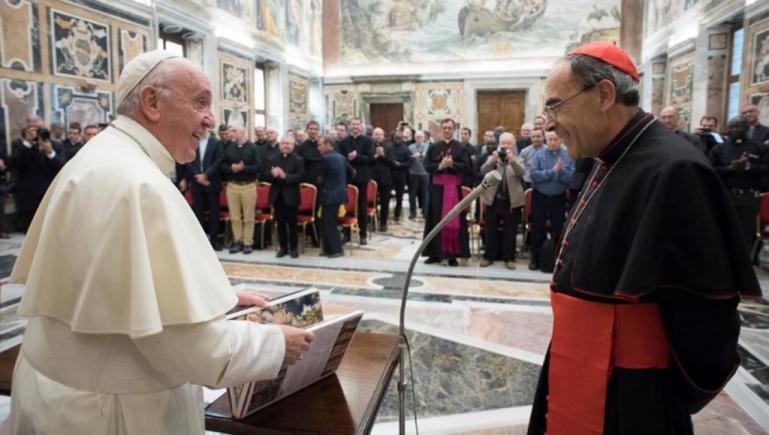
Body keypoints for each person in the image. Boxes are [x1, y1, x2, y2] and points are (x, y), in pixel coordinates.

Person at [9, 50, 313, 434]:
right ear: (152, 102)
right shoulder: (138, 183)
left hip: (61, 396)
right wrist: (274, 345)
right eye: (200, 102)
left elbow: (117, 285)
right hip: (110, 413)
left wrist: (213, 299)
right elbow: (192, 351)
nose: (211, 119)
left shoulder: (104, 156)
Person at [527, 41, 761, 435]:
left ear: (603, 94)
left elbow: (706, 313)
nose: (549, 123)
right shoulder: (611, 156)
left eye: (555, 105)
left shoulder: (676, 170)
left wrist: (656, 387)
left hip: (631, 391)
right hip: (577, 364)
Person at [709, 115, 768, 250]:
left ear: (747, 128)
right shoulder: (719, 148)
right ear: (728, 129)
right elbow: (710, 171)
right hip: (727, 195)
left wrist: (748, 166)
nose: (736, 130)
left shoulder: (759, 147)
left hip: (749, 197)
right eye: (733, 127)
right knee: (723, 232)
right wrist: (730, 169)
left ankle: (744, 267)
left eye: (740, 127)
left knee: (746, 234)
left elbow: (766, 170)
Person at [422, 118, 472, 266]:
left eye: (449, 128)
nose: (447, 130)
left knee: (453, 222)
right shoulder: (434, 147)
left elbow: (468, 167)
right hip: (437, 188)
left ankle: (452, 255)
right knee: (434, 219)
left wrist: (452, 164)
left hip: (453, 190)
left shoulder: (461, 148)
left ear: (454, 129)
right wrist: (439, 166)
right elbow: (427, 166)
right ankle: (434, 254)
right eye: (444, 128)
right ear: (441, 129)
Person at [8, 118, 66, 231]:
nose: (36, 132)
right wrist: (27, 143)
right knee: (29, 231)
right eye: (32, 128)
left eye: (39, 128)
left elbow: (62, 167)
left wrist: (50, 152)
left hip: (49, 195)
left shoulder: (57, 146)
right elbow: (11, 165)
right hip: (27, 197)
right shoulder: (20, 146)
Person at [528, 130, 574, 271]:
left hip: (558, 198)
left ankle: (558, 259)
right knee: (537, 229)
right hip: (540, 196)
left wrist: (561, 172)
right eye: (550, 139)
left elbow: (570, 177)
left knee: (558, 229)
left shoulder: (567, 155)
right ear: (546, 140)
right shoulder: (538, 155)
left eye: (555, 139)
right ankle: (535, 259)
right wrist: (552, 171)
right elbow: (534, 175)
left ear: (560, 140)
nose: (552, 142)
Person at [479, 132, 524, 269]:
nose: (505, 146)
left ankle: (509, 258)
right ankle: (488, 256)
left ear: (514, 145)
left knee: (510, 231)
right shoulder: (493, 158)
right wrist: (491, 161)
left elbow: (521, 173)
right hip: (493, 200)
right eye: (503, 143)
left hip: (511, 202)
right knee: (490, 230)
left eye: (508, 143)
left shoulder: (518, 159)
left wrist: (512, 160)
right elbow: (483, 171)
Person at [182, 127, 225, 251]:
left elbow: (218, 161)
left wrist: (206, 175)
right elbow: (188, 161)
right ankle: (200, 240)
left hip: (211, 182)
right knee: (198, 212)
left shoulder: (216, 143)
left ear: (206, 129)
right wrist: (198, 177)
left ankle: (214, 239)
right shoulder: (192, 142)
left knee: (214, 212)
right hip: (196, 182)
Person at [264, 135, 305, 259]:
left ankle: (293, 248)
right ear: (279, 145)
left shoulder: (298, 159)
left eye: (288, 144)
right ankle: (283, 248)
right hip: (278, 196)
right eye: (283, 143)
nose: (285, 146)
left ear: (293, 146)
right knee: (280, 224)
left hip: (291, 196)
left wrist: (285, 176)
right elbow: (265, 176)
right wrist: (273, 175)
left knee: (293, 224)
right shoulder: (272, 158)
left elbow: (301, 176)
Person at [222, 124, 259, 254]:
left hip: (248, 186)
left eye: (234, 130)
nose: (231, 133)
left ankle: (248, 242)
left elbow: (258, 167)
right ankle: (238, 241)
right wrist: (231, 168)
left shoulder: (253, 148)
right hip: (232, 186)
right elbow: (222, 166)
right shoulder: (228, 148)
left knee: (249, 216)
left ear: (242, 132)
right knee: (235, 217)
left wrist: (244, 168)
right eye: (231, 130)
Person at [316, 135, 354, 257]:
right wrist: (343, 184)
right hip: (339, 194)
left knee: (329, 223)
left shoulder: (325, 159)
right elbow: (352, 172)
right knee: (327, 222)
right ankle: (328, 249)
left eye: (320, 145)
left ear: (327, 144)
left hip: (329, 195)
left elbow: (319, 178)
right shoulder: (341, 157)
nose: (319, 148)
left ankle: (336, 249)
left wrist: (321, 183)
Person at [338, 117, 374, 245]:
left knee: (361, 206)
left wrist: (357, 156)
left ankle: (362, 234)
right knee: (347, 205)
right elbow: (340, 158)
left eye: (357, 124)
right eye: (353, 124)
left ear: (360, 126)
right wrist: (347, 158)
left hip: (362, 177)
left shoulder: (368, 141)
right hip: (347, 177)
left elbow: (370, 158)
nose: (355, 126)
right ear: (350, 126)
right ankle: (346, 233)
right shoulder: (344, 141)